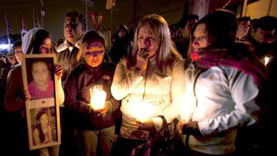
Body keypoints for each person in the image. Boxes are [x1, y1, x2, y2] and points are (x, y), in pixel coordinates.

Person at [179, 10, 265, 156]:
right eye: (194, 37)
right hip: (185, 144)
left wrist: (202, 127)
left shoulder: (238, 68)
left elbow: (248, 113)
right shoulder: (197, 63)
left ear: (221, 37)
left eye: (202, 37)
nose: (194, 42)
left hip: (213, 150)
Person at [110, 14, 184, 156]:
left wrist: (155, 122)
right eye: (140, 38)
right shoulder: (125, 62)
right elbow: (117, 93)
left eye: (151, 38)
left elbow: (178, 103)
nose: (145, 43)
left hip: (158, 138)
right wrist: (138, 69)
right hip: (128, 135)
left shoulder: (175, 64)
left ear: (162, 39)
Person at [4, 28, 64, 156]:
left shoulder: (52, 69)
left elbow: (60, 100)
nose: (48, 51)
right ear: (32, 47)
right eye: (44, 47)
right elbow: (8, 104)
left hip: (52, 124)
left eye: (50, 46)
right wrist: (22, 100)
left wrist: (58, 79)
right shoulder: (16, 72)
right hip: (31, 127)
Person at [65, 30, 120, 156]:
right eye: (89, 52)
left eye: (99, 51)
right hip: (86, 126)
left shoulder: (112, 70)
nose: (95, 56)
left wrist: (110, 106)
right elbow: (69, 101)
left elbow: (120, 95)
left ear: (105, 51)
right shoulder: (77, 74)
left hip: (108, 124)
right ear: (83, 53)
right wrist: (88, 109)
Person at [56, 10, 86, 82]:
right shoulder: (58, 50)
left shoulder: (90, 48)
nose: (69, 27)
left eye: (73, 24)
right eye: (66, 24)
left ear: (83, 27)